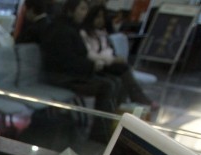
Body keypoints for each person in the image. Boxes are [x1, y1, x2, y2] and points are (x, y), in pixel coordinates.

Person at [40, 0, 121, 137]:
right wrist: (92, 65)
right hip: (60, 76)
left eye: (86, 9)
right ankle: (100, 133)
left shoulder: (73, 28)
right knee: (107, 85)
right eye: (82, 9)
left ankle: (109, 126)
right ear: (71, 10)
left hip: (72, 73)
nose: (85, 13)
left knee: (115, 80)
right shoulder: (61, 30)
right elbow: (65, 61)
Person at [80, 4, 152, 106]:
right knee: (121, 70)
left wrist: (112, 58)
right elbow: (90, 54)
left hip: (105, 62)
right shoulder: (84, 33)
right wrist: (112, 59)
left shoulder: (102, 33)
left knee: (121, 75)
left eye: (102, 17)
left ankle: (122, 105)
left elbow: (107, 49)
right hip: (94, 64)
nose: (100, 20)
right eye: (97, 17)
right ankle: (136, 97)